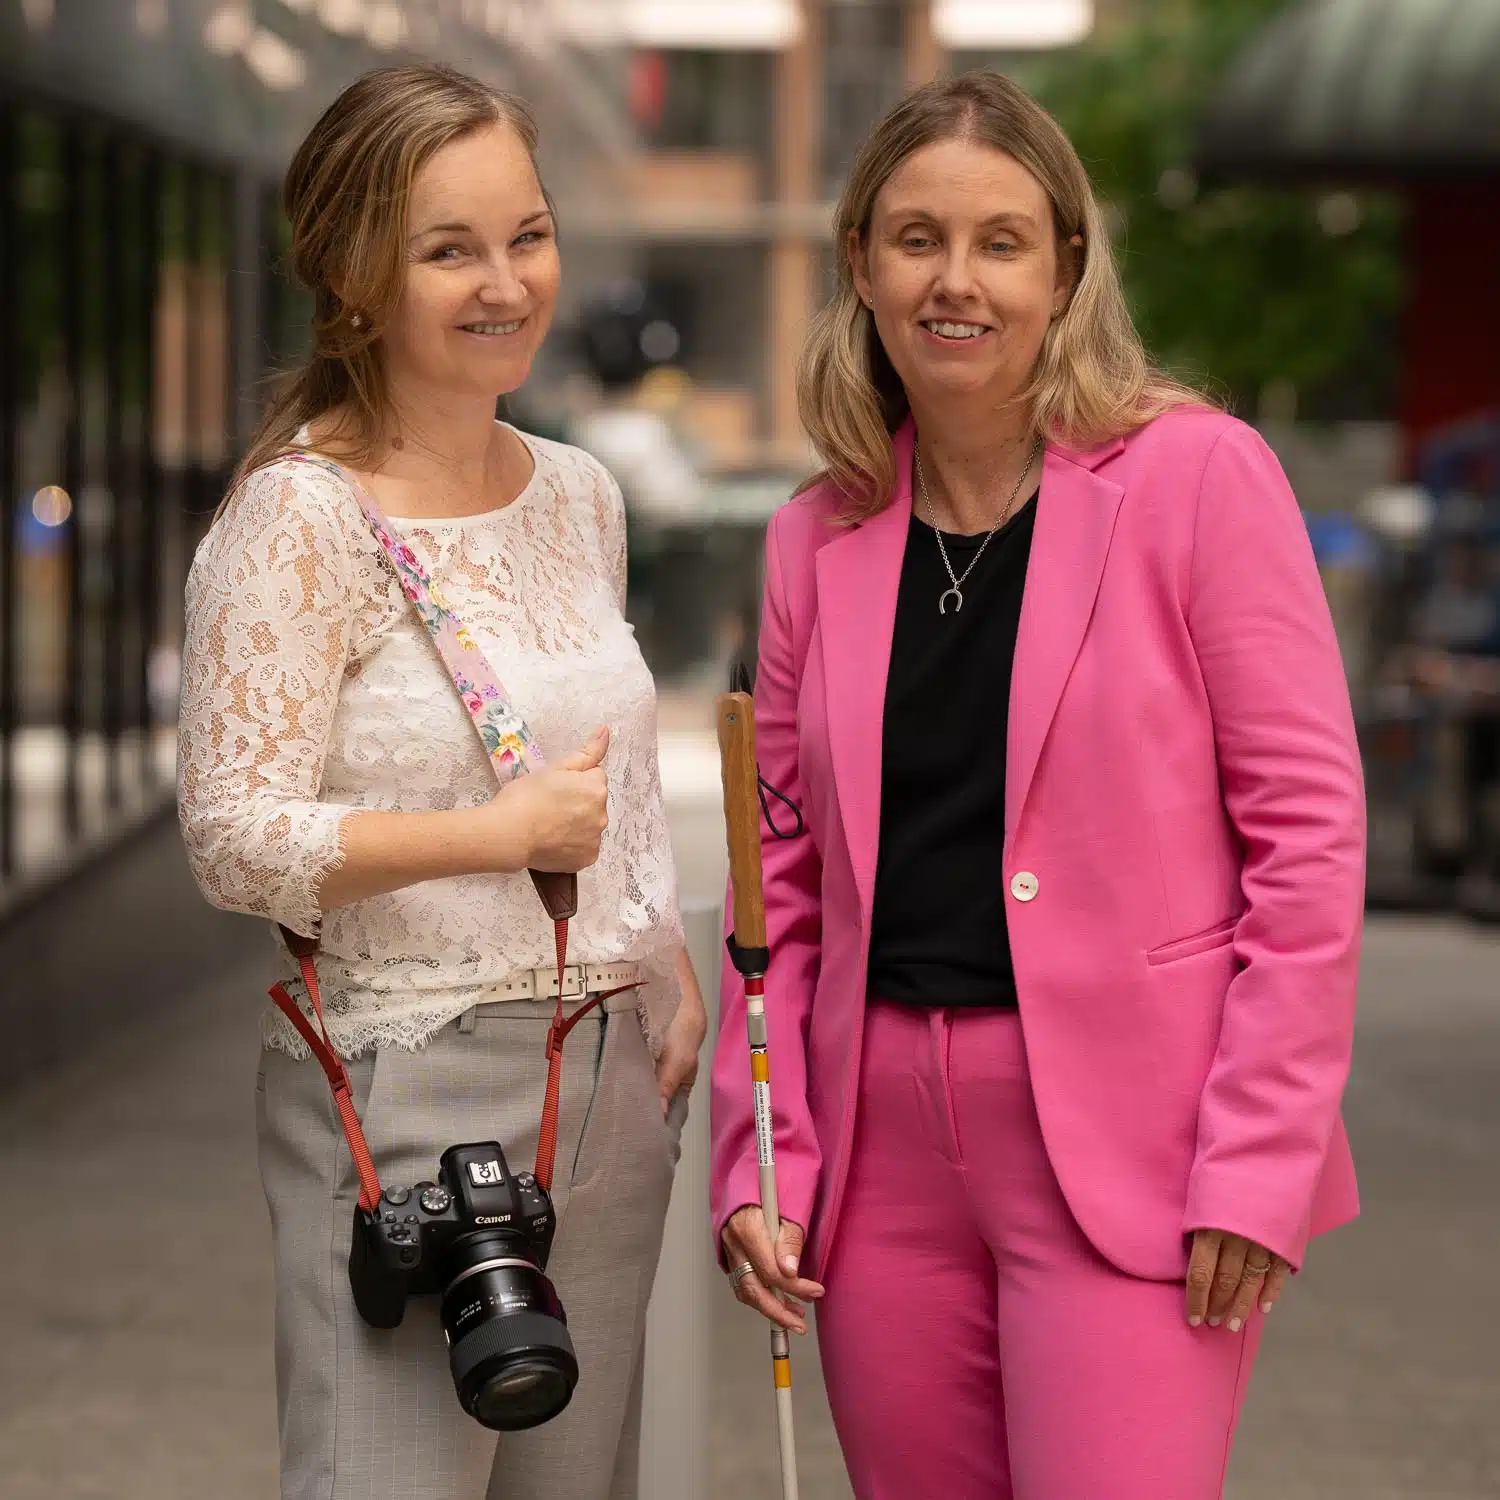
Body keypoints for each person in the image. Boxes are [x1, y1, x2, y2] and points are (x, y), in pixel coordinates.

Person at [709, 70, 1363, 1500]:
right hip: (882, 1167)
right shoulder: (816, 536)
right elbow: (783, 892)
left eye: (1003, 241)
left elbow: (1309, 844)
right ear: (862, 266)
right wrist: (763, 1159)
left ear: (1067, 265)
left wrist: (1260, 1159)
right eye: (918, 237)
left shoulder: (1198, 477)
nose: (959, 281)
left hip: (1138, 1149)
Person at [177, 65, 704, 1500]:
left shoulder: (579, 495)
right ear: (353, 274)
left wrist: (656, 946)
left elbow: (615, 760)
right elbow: (232, 841)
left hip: (604, 1085)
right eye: (448, 249)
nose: (505, 283)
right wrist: (489, 837)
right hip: (407, 1090)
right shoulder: (298, 519)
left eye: (525, 236)